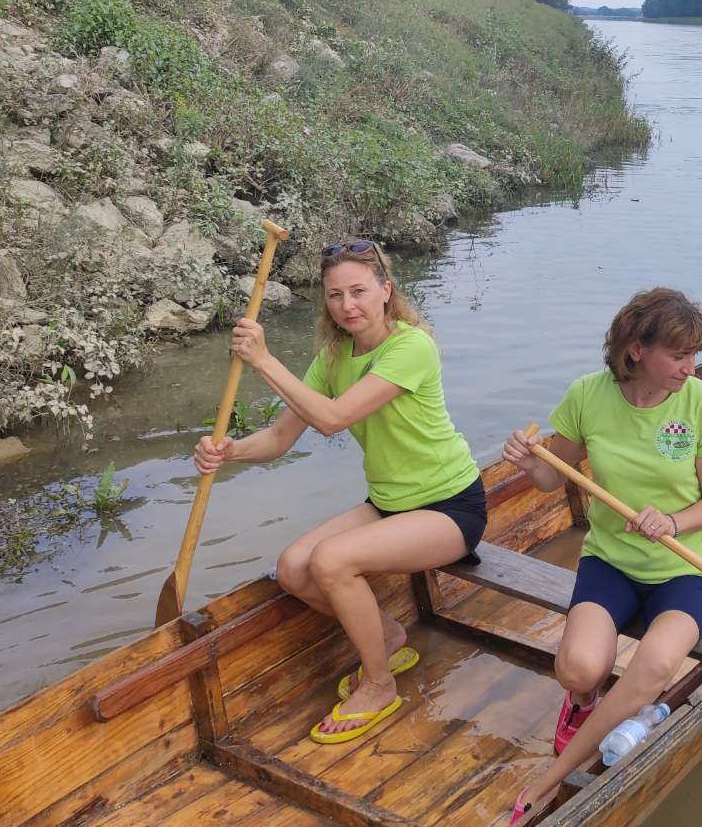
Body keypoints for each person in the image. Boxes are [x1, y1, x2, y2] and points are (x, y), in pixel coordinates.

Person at [191, 239, 485, 745]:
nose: (347, 306)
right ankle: (389, 637)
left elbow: (332, 419)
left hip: (450, 506)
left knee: (330, 562)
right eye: (334, 295)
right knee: (293, 568)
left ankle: (378, 684)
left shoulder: (410, 346)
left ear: (386, 291)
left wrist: (263, 360)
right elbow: (282, 437)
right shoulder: (333, 356)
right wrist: (229, 451)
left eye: (359, 291)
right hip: (390, 505)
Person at [499, 288, 702, 826]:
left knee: (653, 665)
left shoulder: (701, 401)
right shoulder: (587, 395)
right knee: (578, 669)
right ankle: (587, 702)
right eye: (678, 355)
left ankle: (550, 779)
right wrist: (524, 461)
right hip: (610, 561)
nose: (690, 367)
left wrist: (672, 522)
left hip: (683, 567)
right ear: (635, 351)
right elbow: (553, 478)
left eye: (695, 354)